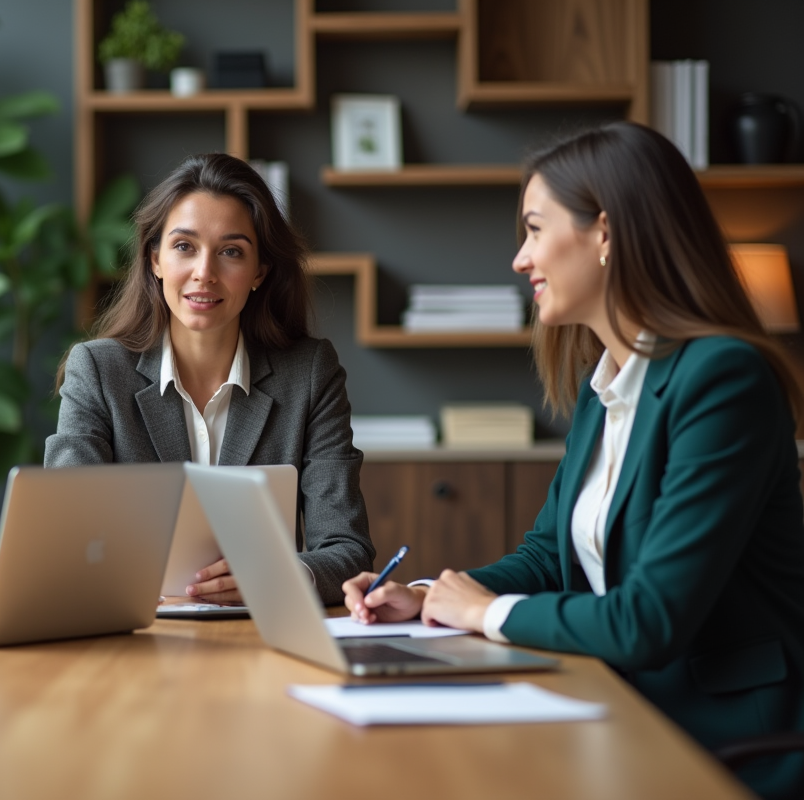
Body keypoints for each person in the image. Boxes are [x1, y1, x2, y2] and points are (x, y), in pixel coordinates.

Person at [342, 122, 804, 799]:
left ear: (607, 234)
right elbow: (548, 558)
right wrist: (430, 598)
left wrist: (484, 614)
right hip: (626, 713)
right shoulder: (607, 388)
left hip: (725, 745)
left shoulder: (721, 379)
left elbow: (648, 620)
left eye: (534, 229)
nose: (519, 259)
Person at [45, 152, 374, 605]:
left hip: (258, 639)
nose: (204, 272)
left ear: (259, 272)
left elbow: (349, 551)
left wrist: (275, 574)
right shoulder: (98, 372)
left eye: (231, 252)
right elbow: (62, 536)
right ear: (155, 259)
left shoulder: (310, 373)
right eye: (184, 247)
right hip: (136, 635)